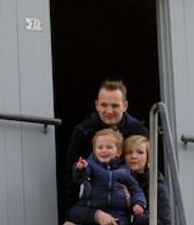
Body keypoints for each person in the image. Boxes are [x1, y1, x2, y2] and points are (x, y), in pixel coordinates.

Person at [70, 129, 146, 225]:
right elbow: (80, 178)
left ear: (118, 152)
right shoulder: (91, 167)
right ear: (94, 150)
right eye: (100, 147)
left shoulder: (124, 171)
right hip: (99, 218)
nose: (104, 150)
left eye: (109, 147)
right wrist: (80, 168)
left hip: (120, 217)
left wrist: (139, 204)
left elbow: (136, 189)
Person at [62, 80, 148, 210]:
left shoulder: (139, 132)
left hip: (130, 208)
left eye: (115, 106)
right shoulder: (82, 132)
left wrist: (139, 206)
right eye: (104, 105)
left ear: (125, 106)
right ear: (96, 105)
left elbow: (149, 173)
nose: (109, 111)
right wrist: (73, 216)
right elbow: (71, 177)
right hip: (91, 207)